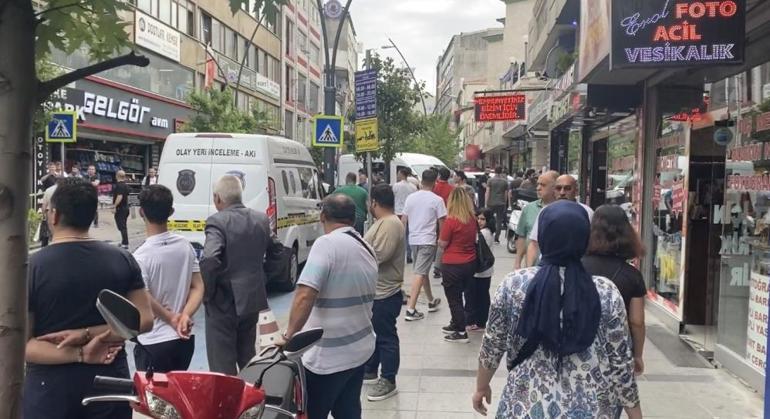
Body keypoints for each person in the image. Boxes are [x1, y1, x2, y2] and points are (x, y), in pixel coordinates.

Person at [473, 201, 641, 419]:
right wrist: (635, 414)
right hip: (592, 409)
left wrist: (481, 386)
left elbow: (492, 347)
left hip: (525, 406)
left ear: (543, 235)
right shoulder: (605, 291)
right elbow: (620, 362)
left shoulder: (514, 285)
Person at [25, 178, 153, 419]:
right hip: (110, 384)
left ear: (54, 215)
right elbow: (144, 321)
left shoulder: (32, 267)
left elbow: (24, 345)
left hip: (50, 390)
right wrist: (91, 333)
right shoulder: (122, 259)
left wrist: (80, 350)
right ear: (92, 214)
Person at [282, 194, 377, 419]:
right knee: (348, 411)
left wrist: (289, 335)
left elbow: (305, 295)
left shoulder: (326, 244)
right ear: (353, 219)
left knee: (313, 412)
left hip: (328, 358)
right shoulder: (366, 247)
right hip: (358, 349)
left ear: (323, 216)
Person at [200, 175, 272, 375]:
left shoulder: (217, 221)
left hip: (223, 301)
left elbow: (209, 259)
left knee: (222, 362)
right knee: (247, 355)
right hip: (251, 299)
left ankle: (228, 404)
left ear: (218, 199)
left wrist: (208, 294)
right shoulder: (261, 219)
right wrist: (263, 278)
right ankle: (250, 399)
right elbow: (277, 252)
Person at [133, 185, 204, 372]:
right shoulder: (185, 246)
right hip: (185, 339)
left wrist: (171, 317)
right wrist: (185, 315)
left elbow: (144, 296)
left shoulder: (140, 256)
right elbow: (198, 287)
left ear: (142, 212)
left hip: (153, 341)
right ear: (171, 211)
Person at [583, 204, 647, 376]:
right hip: (617, 351)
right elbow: (637, 322)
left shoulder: (575, 267)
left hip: (579, 347)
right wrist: (638, 355)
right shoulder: (632, 276)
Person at [363, 184, 405, 401]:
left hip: (386, 292)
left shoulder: (390, 224)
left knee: (386, 336)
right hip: (377, 291)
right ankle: (371, 369)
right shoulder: (384, 222)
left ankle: (388, 379)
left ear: (374, 203)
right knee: (377, 334)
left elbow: (381, 254)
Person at [401, 169, 445, 321]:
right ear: (435, 182)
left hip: (413, 239)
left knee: (422, 270)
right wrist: (443, 240)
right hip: (428, 240)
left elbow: (404, 219)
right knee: (420, 272)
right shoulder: (437, 200)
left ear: (421, 180)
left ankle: (431, 301)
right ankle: (411, 309)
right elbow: (442, 222)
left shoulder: (410, 198)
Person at [526, 174, 594, 266]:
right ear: (554, 191)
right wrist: (529, 269)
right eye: (558, 188)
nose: (562, 192)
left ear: (576, 191)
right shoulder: (545, 212)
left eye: (567, 188)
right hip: (547, 267)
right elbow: (534, 244)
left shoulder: (588, 212)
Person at [438, 188, 478, 343]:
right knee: (462, 295)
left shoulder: (451, 221)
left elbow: (442, 243)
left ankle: (461, 332)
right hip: (470, 262)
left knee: (454, 298)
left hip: (452, 264)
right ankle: (456, 323)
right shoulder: (472, 219)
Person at [513, 171, 557, 269]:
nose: (538, 188)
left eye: (543, 185)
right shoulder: (529, 209)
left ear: (555, 188)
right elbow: (522, 236)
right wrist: (517, 262)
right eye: (538, 184)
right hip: (531, 267)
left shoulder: (563, 210)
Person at [466, 208, 495, 332]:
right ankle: (481, 321)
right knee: (482, 296)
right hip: (486, 271)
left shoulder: (483, 233)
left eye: (483, 219)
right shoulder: (488, 232)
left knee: (476, 297)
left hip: (479, 271)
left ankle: (476, 321)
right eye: (478, 218)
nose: (479, 221)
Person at [432, 167, 455, 278]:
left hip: (432, 217)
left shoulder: (434, 188)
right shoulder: (452, 189)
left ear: (439, 175)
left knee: (433, 238)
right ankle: (438, 265)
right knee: (442, 241)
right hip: (446, 217)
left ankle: (433, 260)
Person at [393, 168, 417, 263]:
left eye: (398, 173)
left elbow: (393, 196)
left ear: (402, 174)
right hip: (409, 213)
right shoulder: (413, 187)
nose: (397, 175)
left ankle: (398, 255)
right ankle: (409, 254)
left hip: (398, 212)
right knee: (408, 234)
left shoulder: (396, 186)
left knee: (398, 235)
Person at [485, 167, 509, 243]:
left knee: (489, 219)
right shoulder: (505, 181)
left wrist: (486, 203)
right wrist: (505, 202)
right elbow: (506, 194)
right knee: (499, 221)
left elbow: (487, 192)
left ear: (494, 171)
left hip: (491, 203)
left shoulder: (490, 180)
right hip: (501, 203)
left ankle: (489, 234)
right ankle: (496, 238)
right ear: (501, 171)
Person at [40, 177, 62, 247]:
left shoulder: (48, 190)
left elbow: (44, 205)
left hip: (49, 212)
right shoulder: (64, 190)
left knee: (49, 230)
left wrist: (43, 214)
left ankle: (48, 245)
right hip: (61, 212)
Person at [112, 170, 130, 249]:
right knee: (123, 226)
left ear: (117, 176)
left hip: (121, 208)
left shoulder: (119, 185)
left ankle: (125, 243)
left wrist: (114, 206)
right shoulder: (126, 185)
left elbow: (120, 196)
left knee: (121, 226)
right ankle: (124, 241)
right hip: (125, 208)